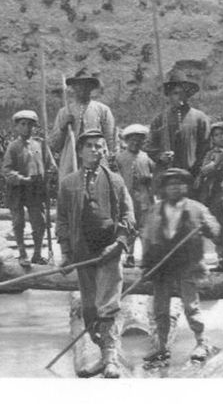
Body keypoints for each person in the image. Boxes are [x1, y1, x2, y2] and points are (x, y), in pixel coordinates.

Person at [56, 130, 135, 378]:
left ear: (105, 151)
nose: (94, 150)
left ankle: (112, 359)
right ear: (80, 151)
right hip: (83, 254)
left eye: (99, 146)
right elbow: (62, 222)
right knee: (89, 309)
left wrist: (120, 242)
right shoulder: (68, 183)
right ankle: (103, 355)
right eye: (89, 146)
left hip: (109, 253)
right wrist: (67, 254)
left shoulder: (115, 180)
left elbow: (128, 216)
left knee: (108, 305)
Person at [140, 168, 220, 366]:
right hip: (162, 266)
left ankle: (202, 342)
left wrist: (209, 228)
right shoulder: (155, 210)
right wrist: (146, 265)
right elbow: (147, 238)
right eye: (171, 184)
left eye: (180, 183)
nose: (175, 187)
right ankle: (162, 347)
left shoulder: (196, 208)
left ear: (186, 186)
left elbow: (216, 230)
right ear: (165, 188)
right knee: (160, 309)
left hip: (188, 263)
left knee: (191, 306)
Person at [2, 110, 57, 266]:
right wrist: (21, 179)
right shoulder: (13, 147)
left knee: (39, 222)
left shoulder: (41, 144)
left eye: (31, 125)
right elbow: (6, 170)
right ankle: (22, 254)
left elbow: (51, 165)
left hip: (36, 191)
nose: (27, 128)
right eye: (23, 124)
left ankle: (37, 254)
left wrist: (48, 174)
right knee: (18, 222)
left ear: (35, 127)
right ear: (17, 127)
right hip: (18, 191)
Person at [145, 71, 211, 184]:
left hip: (192, 174)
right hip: (167, 174)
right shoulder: (160, 119)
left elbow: (207, 147)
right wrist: (160, 156)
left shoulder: (200, 118)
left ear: (187, 95)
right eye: (175, 93)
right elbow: (149, 145)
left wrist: (199, 169)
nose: (179, 97)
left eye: (182, 93)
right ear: (169, 96)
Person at [49, 70, 116, 179]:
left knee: (97, 189)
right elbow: (54, 145)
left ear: (91, 88)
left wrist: (109, 159)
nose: (83, 89)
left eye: (86, 86)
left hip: (96, 158)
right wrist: (63, 127)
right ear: (74, 88)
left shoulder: (103, 110)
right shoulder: (64, 112)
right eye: (79, 85)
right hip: (71, 161)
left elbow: (110, 140)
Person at [195, 121, 223, 272]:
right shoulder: (211, 154)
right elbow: (204, 171)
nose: (220, 137)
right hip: (216, 195)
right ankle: (222, 260)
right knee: (218, 229)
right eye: (216, 135)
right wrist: (216, 163)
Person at [115, 124, 155, 268]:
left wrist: (149, 177)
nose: (135, 143)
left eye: (139, 140)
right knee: (129, 227)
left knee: (145, 229)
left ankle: (145, 257)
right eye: (132, 140)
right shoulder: (120, 158)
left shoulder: (145, 157)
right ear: (126, 141)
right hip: (127, 198)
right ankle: (129, 256)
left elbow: (155, 174)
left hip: (144, 198)